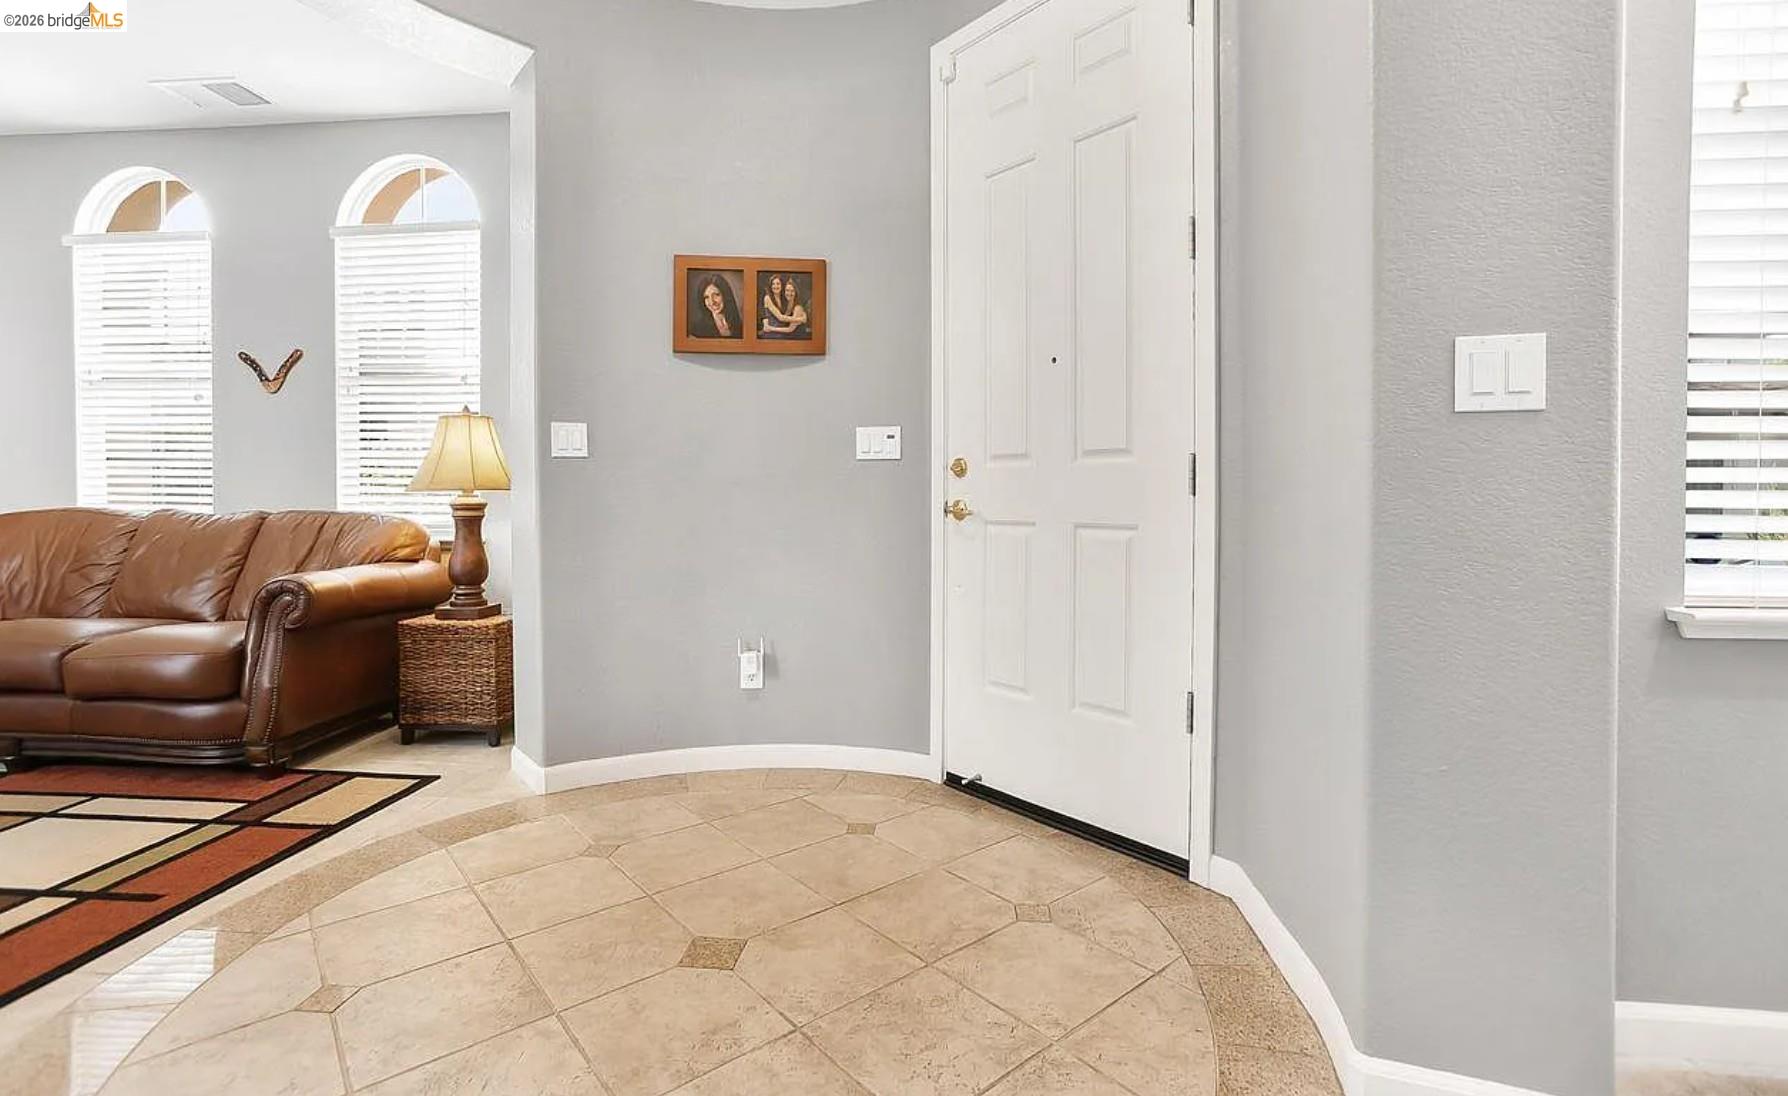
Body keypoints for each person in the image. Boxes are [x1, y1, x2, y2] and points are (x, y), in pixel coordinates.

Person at [690, 273, 743, 339]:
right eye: (706, 297)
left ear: (726, 295)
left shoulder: (739, 324)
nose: (712, 302)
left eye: (716, 295)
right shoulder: (697, 329)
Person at [761, 274, 810, 339]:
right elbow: (780, 317)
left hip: (782, 333)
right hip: (772, 333)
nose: (775, 286)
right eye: (773, 284)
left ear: (782, 286)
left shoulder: (784, 299)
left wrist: (803, 314)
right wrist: (801, 319)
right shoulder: (768, 298)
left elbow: (789, 320)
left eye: (778, 284)